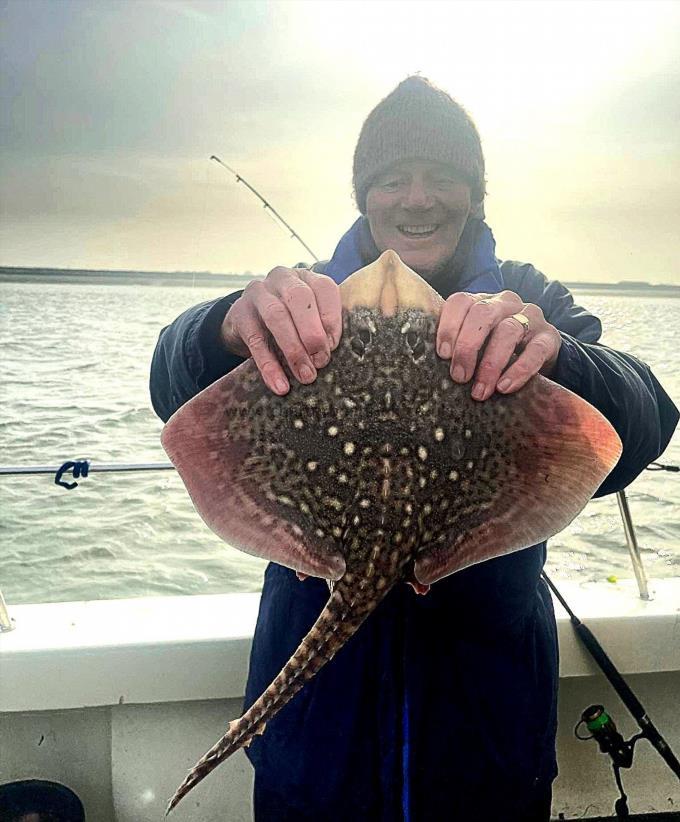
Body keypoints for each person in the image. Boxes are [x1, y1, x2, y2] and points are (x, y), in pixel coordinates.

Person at [150, 77, 678, 821]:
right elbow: (171, 385)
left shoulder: (528, 300)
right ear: (365, 194)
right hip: (318, 748)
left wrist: (554, 357)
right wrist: (219, 330)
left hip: (484, 739)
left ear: (475, 193)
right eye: (393, 179)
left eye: (443, 178)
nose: (417, 199)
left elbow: (646, 417)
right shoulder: (301, 299)